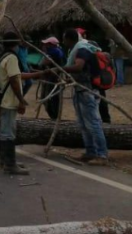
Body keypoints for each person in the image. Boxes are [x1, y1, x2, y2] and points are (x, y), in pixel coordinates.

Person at [0, 32, 48, 175]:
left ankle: (5, 161)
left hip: (3, 100)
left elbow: (18, 76)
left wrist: (37, 74)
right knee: (8, 133)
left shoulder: (3, 56)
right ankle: (10, 164)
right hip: (8, 100)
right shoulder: (12, 58)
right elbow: (14, 80)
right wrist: (21, 100)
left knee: (4, 130)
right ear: (16, 44)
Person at [62, 28, 109, 165]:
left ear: (69, 39)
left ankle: (102, 155)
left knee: (93, 124)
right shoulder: (77, 50)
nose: (63, 42)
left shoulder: (82, 49)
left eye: (64, 39)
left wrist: (60, 68)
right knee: (83, 124)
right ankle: (90, 152)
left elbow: (78, 67)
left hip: (87, 91)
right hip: (80, 90)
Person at [39, 37, 65, 120]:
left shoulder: (54, 51)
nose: (44, 46)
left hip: (52, 78)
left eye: (46, 44)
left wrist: (44, 54)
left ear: (51, 45)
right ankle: (54, 116)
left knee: (49, 98)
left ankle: (54, 117)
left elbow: (42, 63)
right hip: (52, 78)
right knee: (51, 98)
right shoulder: (58, 51)